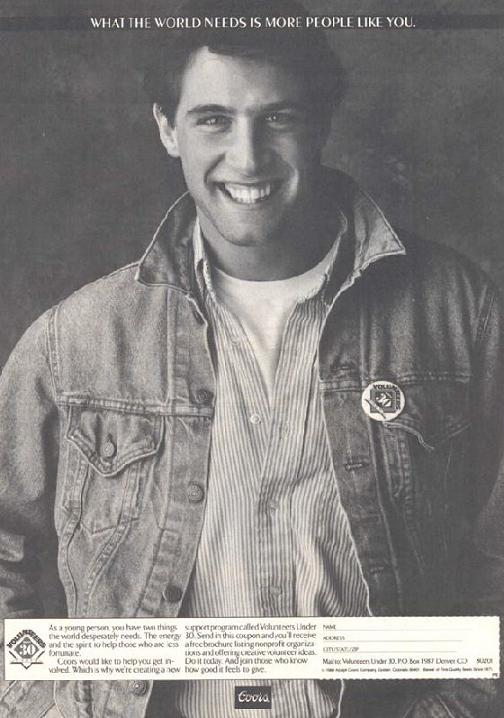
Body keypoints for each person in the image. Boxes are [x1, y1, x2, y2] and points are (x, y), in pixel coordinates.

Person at [0, 0, 503, 716]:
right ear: (166, 128)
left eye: (279, 118)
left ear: (320, 123)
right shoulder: (75, 341)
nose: (248, 158)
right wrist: (43, 705)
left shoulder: (459, 314)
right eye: (213, 119)